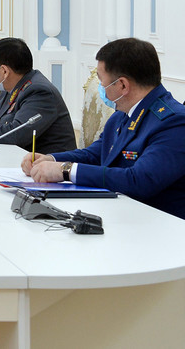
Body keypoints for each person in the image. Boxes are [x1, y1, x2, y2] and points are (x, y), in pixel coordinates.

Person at [22, 38, 185, 218]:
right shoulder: (122, 115)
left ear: (123, 85)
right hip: (121, 213)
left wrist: (66, 170)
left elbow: (140, 180)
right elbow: (95, 154)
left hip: (158, 223)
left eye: (102, 82)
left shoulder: (174, 122)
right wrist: (50, 159)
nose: (101, 88)